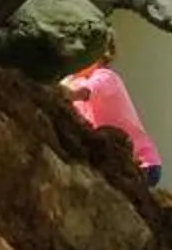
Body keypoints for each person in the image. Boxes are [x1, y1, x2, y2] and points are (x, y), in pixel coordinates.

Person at [65, 48, 163, 187]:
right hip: (114, 162)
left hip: (142, 164)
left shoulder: (106, 77)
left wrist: (58, 89)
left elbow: (81, 93)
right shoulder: (75, 81)